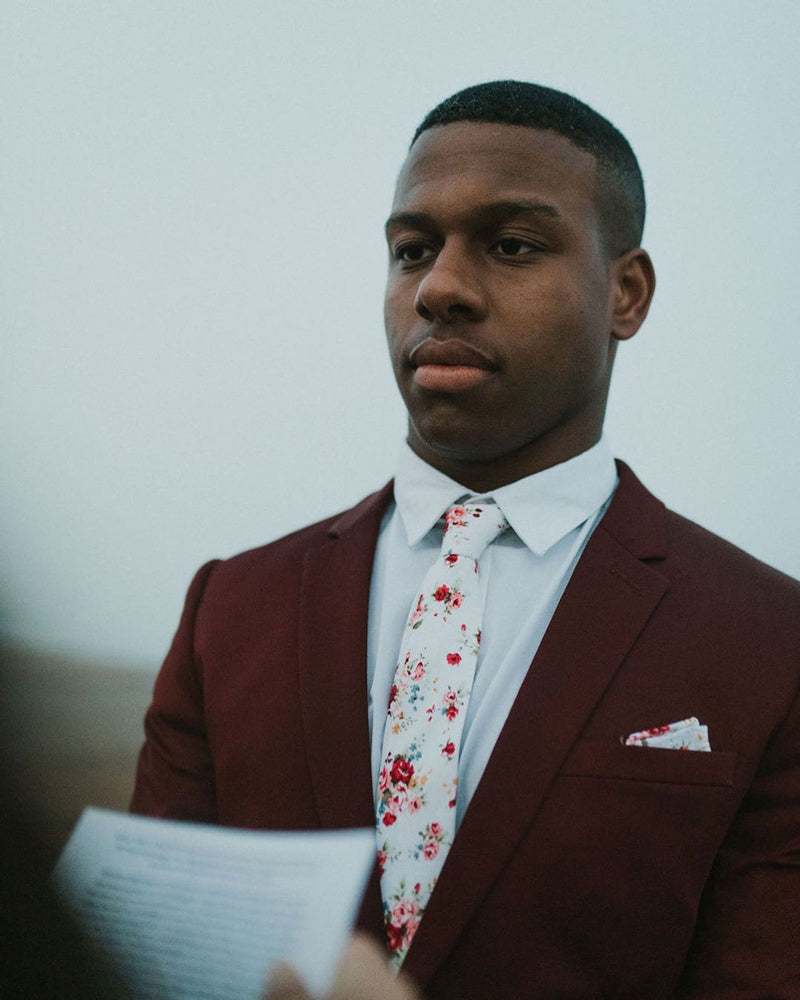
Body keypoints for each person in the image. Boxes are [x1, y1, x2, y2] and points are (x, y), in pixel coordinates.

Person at [131, 81, 800, 998]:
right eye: (412, 251)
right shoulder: (230, 611)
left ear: (627, 293)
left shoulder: (769, 640)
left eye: (513, 245)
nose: (439, 287)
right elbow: (149, 961)